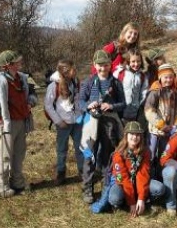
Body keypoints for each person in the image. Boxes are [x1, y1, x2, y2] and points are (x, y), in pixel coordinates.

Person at [0, 50, 37, 198]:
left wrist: (31, 102)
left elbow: (33, 93)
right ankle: (1, 186)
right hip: (7, 124)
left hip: (21, 122)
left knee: (19, 154)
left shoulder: (24, 78)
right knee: (4, 156)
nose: (20, 62)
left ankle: (17, 182)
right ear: (8, 65)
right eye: (17, 61)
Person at [80, 50, 126, 204]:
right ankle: (88, 187)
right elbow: (79, 102)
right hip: (91, 123)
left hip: (109, 125)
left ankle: (108, 185)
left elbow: (123, 104)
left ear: (110, 65)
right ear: (94, 65)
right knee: (89, 155)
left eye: (106, 65)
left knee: (107, 155)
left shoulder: (116, 83)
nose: (103, 68)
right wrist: (88, 105)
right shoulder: (88, 82)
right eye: (99, 65)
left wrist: (111, 105)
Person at [95, 121, 165, 217]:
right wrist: (132, 202)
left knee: (159, 188)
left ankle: (143, 201)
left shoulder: (145, 152)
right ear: (126, 136)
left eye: (137, 135)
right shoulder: (118, 154)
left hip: (137, 182)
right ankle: (124, 203)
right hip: (122, 183)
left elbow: (143, 175)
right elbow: (124, 179)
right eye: (131, 134)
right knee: (114, 198)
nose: (134, 137)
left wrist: (141, 199)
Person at [44, 59, 84, 185]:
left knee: (81, 148)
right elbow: (48, 105)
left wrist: (82, 115)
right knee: (62, 150)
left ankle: (83, 172)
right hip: (63, 124)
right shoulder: (53, 86)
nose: (75, 71)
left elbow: (78, 100)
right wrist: (58, 121)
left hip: (77, 121)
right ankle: (61, 173)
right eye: (73, 69)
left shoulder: (76, 82)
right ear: (66, 72)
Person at [144, 63, 177, 180]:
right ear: (160, 77)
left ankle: (161, 177)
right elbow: (149, 111)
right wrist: (161, 125)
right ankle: (149, 177)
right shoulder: (155, 91)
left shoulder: (173, 92)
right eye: (166, 77)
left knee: (163, 154)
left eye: (171, 77)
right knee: (151, 154)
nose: (168, 80)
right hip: (156, 130)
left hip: (168, 130)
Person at [113, 48, 148, 124]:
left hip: (134, 113)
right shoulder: (120, 73)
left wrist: (138, 105)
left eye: (138, 61)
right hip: (120, 113)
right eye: (133, 61)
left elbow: (144, 92)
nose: (136, 64)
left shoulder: (142, 76)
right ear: (128, 61)